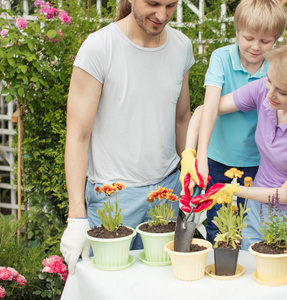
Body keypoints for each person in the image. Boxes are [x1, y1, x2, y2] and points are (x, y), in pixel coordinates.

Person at [60, 0, 194, 274]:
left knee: (164, 286)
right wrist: (76, 215)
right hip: (113, 199)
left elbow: (182, 119)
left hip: (167, 193)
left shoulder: (181, 47)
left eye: (170, 5)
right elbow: (77, 135)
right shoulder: (100, 47)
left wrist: (193, 184)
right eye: (153, 4)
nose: (162, 15)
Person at [187, 34, 287, 276]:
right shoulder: (264, 93)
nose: (270, 95)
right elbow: (206, 110)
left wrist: (231, 190)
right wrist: (191, 155)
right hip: (256, 212)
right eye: (269, 81)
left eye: (283, 92)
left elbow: (286, 194)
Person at [181, 0, 287, 245]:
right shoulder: (222, 58)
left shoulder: (277, 68)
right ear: (237, 30)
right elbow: (208, 109)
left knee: (248, 235)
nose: (256, 47)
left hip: (257, 166)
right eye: (249, 38)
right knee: (220, 233)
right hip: (218, 161)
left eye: (266, 41)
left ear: (276, 40)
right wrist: (198, 155)